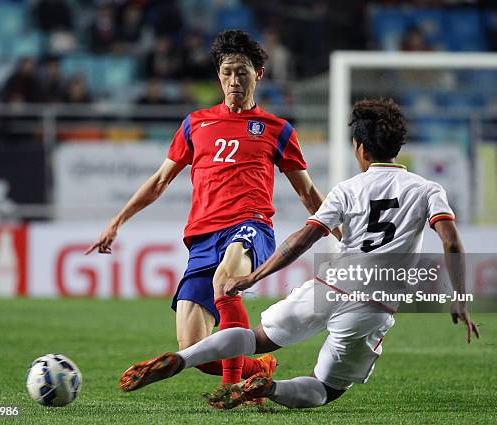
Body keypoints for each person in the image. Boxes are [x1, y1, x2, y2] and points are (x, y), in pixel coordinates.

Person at [118, 99, 480, 409]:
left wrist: (253, 277)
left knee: (256, 338)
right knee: (327, 389)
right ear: (397, 147)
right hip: (375, 302)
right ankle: (270, 388)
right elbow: (450, 241)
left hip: (331, 284)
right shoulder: (427, 188)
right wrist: (460, 298)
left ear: (360, 148)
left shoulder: (347, 189)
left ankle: (182, 359)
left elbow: (302, 239)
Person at [87, 29, 336, 387]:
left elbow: (309, 194)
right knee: (197, 351)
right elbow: (160, 181)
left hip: (250, 227)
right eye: (227, 72)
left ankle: (232, 389)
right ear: (218, 75)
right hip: (203, 239)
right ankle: (256, 371)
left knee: (226, 282)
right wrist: (117, 221)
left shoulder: (277, 130)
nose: (234, 80)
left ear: (258, 73)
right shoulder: (195, 124)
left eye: (242, 72)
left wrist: (349, 236)